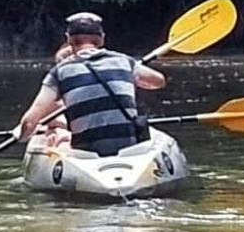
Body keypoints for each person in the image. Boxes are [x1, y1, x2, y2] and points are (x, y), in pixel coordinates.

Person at [15, 11, 164, 156]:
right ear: (102, 39)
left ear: (68, 40)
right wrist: (131, 73)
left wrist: (23, 138)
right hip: (130, 147)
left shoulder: (59, 72)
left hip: (86, 152)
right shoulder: (125, 61)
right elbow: (159, 81)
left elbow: (29, 122)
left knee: (58, 136)